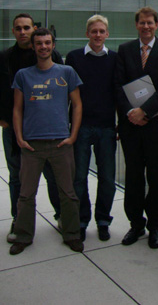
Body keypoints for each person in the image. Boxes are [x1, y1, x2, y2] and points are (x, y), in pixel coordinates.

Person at [0, 13, 62, 242]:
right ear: (13, 31)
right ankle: (18, 220)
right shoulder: (2, 59)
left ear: (34, 28)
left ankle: (61, 215)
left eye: (27, 27)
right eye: (18, 28)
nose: (23, 32)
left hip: (45, 129)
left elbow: (62, 89)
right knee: (17, 176)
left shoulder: (50, 54)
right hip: (15, 129)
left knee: (52, 174)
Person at [9, 28, 83, 255]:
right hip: (32, 145)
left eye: (47, 42)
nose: (43, 47)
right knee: (26, 194)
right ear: (33, 46)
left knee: (68, 193)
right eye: (39, 43)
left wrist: (73, 135)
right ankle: (23, 236)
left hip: (61, 143)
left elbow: (78, 105)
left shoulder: (67, 72)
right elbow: (17, 109)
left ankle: (71, 234)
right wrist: (19, 137)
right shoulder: (23, 75)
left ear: (53, 45)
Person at [115, 6, 158, 249]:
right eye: (142, 23)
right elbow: (117, 85)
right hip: (131, 126)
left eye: (150, 22)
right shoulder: (125, 50)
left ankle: (155, 226)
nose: (146, 26)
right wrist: (132, 113)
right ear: (136, 25)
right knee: (133, 176)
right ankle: (135, 224)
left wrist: (145, 111)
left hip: (157, 126)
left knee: (156, 177)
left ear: (156, 25)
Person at [65, 15, 117, 242]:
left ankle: (103, 220)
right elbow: (67, 94)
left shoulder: (115, 59)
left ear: (107, 34)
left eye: (101, 31)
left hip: (107, 127)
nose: (97, 35)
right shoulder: (74, 58)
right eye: (93, 31)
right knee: (79, 177)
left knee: (107, 177)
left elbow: (121, 92)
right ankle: (82, 219)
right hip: (81, 126)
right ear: (87, 33)